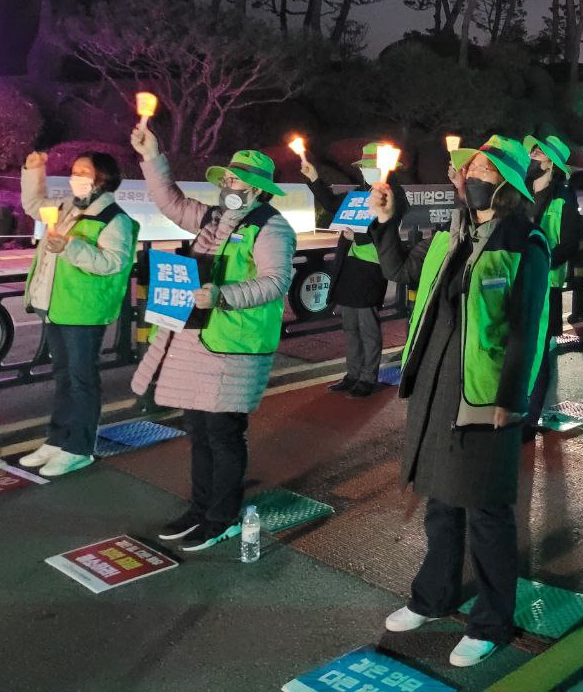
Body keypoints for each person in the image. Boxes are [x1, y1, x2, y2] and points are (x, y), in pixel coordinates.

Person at [371, 135, 548, 669]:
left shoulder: (525, 241)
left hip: (484, 393)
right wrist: (385, 222)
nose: (470, 175)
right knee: (440, 500)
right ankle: (433, 596)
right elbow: (400, 273)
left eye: (484, 169)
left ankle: (492, 620)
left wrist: (511, 397)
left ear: (507, 185)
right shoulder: (452, 233)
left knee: (487, 510)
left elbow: (528, 329)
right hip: (436, 384)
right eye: (469, 166)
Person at [129, 128, 295, 552]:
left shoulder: (272, 228)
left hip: (234, 346)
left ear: (257, 188)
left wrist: (224, 296)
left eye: (235, 181)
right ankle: (200, 508)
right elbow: (169, 201)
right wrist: (152, 155)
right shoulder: (211, 218)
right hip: (195, 338)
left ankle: (222, 516)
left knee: (223, 433)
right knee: (199, 430)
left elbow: (275, 282)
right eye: (225, 179)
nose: (227, 186)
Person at [18, 150, 138, 477]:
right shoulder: (67, 208)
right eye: (73, 171)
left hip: (84, 312)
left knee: (82, 380)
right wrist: (34, 170)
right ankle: (57, 440)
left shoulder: (114, 219)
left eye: (83, 171)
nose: (76, 176)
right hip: (57, 307)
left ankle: (80, 448)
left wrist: (70, 247)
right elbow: (33, 205)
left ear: (103, 177)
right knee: (63, 378)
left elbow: (113, 263)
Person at [301, 145, 390, 397]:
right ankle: (353, 374)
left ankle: (368, 377)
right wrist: (314, 178)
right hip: (348, 269)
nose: (367, 172)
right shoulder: (357, 193)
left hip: (370, 270)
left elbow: (386, 232)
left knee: (368, 328)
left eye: (372, 167)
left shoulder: (391, 196)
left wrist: (359, 236)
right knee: (350, 325)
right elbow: (331, 204)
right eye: (364, 167)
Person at [521, 134, 582, 438]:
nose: (531, 154)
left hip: (546, 281)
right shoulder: (520, 190)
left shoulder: (565, 195)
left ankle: (531, 418)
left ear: (550, 161)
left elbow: (570, 242)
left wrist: (542, 260)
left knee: (538, 351)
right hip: (517, 278)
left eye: (537, 151)